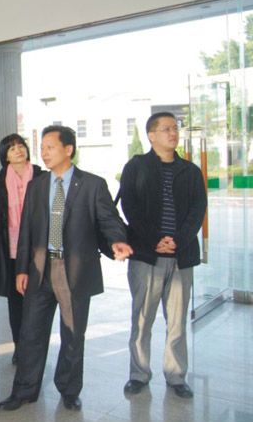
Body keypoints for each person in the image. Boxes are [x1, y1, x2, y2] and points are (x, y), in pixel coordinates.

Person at [0, 125, 133, 412]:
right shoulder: (37, 186)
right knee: (30, 333)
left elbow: (109, 220)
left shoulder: (92, 185)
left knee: (72, 334)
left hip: (74, 271)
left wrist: (117, 241)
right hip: (40, 270)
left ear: (68, 149)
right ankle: (24, 390)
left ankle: (69, 390)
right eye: (42, 148)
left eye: (50, 147)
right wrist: (21, 269)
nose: (44, 153)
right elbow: (26, 232)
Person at [119, 112, 206, 399]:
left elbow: (198, 210)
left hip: (181, 256)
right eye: (166, 128)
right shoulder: (136, 167)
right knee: (142, 319)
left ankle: (176, 375)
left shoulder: (190, 171)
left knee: (177, 321)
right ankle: (139, 374)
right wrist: (154, 239)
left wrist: (177, 240)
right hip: (147, 256)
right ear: (151, 135)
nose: (173, 133)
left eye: (175, 128)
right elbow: (130, 207)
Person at [0, 134, 43, 364]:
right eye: (12, 149)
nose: (18, 150)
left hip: (37, 248)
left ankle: (35, 347)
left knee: (38, 301)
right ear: (5, 156)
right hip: (9, 248)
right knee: (15, 302)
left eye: (21, 146)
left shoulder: (41, 176)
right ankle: (19, 346)